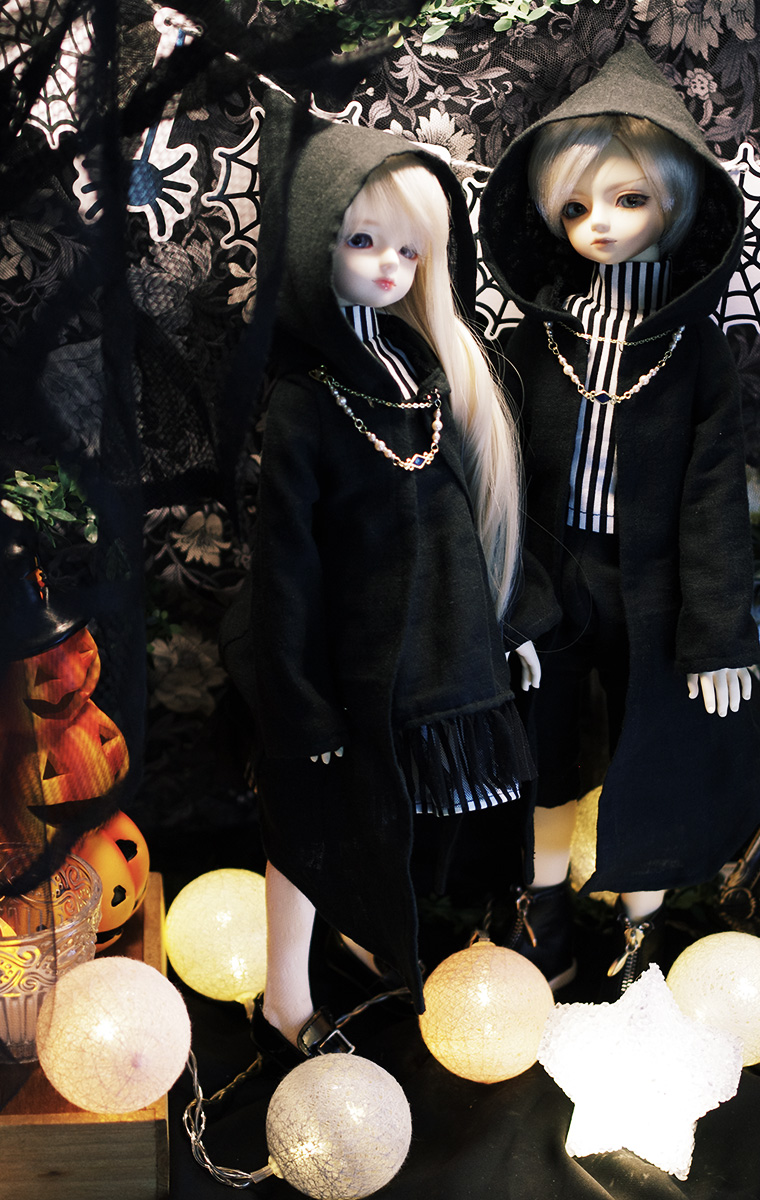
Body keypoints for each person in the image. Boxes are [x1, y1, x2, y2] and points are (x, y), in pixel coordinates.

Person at [221, 101, 552, 1064]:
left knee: (396, 823)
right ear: (313, 244)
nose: (388, 268)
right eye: (362, 241)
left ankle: (372, 938)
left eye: (409, 252)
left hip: (434, 656)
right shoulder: (305, 402)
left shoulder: (424, 368)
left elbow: (472, 516)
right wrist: (301, 708)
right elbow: (286, 569)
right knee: (308, 829)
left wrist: (509, 621)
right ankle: (286, 998)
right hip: (342, 666)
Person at [479, 41, 760, 995]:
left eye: (627, 199)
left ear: (673, 204)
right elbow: (501, 482)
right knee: (544, 746)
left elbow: (712, 495)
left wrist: (718, 631)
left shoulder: (696, 353)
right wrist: (511, 603)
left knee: (648, 752)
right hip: (554, 574)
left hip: (655, 585)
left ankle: (639, 932)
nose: (599, 223)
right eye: (575, 208)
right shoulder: (539, 338)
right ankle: (541, 916)